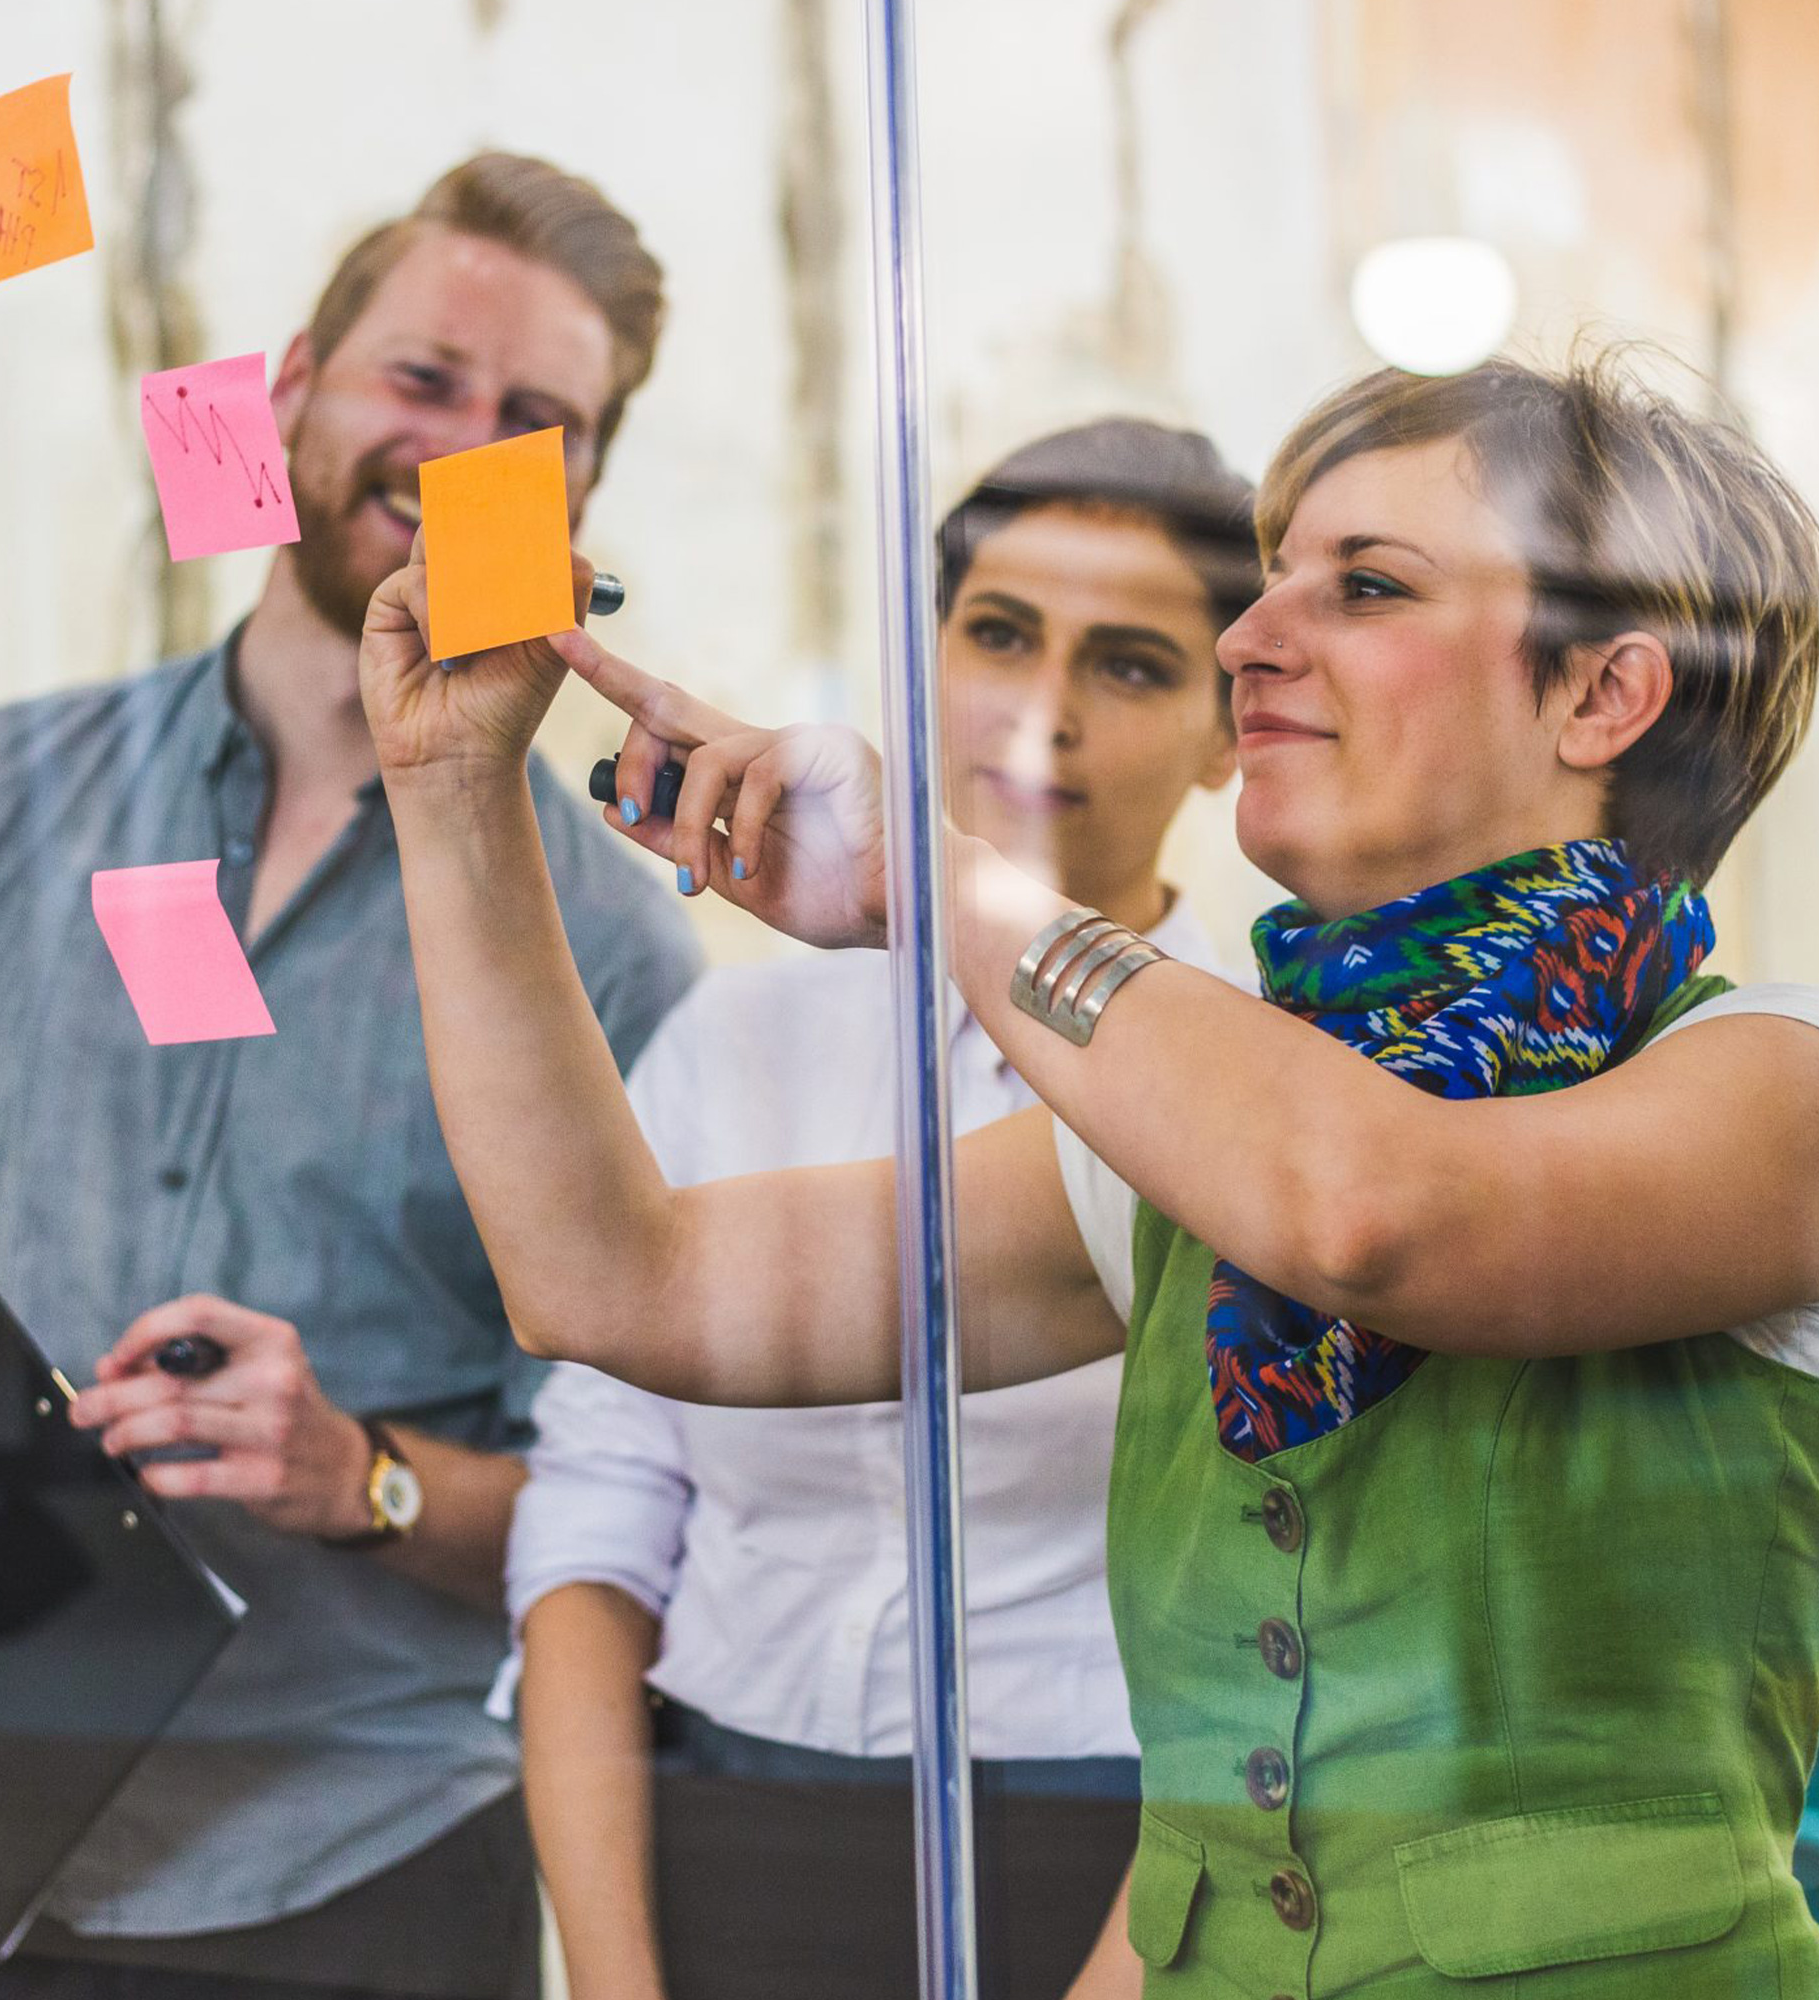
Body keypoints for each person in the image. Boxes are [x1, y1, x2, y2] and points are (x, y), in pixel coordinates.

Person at [357, 353, 1819, 1998]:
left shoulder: (1799, 1084)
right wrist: (454, 792)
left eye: (1368, 586)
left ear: (1603, 696)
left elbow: (1370, 1214)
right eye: (1265, 589)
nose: (1251, 642)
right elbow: (620, 1285)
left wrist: (943, 883)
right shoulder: (1191, 1136)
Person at [0, 155, 699, 1999]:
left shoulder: (613, 951)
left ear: (578, 495)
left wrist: (363, 1475)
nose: (462, 447)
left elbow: (627, 1515)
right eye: (426, 377)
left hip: (359, 1863)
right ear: (293, 385)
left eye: (535, 422)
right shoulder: (16, 794)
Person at [505, 419, 1255, 2000]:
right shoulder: (739, 1040)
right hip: (710, 1830)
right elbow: (597, 1514)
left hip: (1122, 1863)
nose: (1041, 712)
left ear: (1226, 731)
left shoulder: (1261, 1087)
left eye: (1128, 666)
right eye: (998, 635)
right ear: (924, 656)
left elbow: (1298, 1622)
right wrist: (614, 1978)